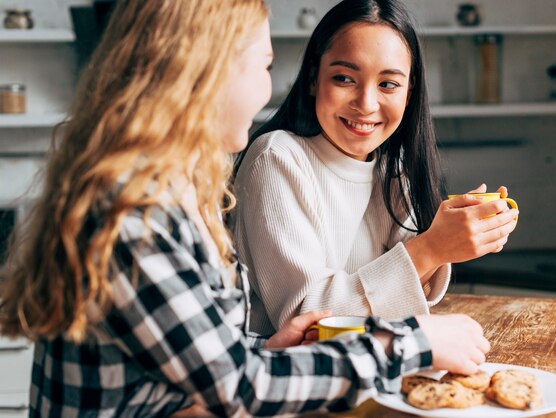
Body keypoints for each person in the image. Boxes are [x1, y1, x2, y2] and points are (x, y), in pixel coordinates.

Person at [0, 1, 490, 417]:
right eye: (264, 65)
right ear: (204, 72)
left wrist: (268, 349)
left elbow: (210, 361)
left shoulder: (170, 193)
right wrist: (411, 343)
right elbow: (240, 386)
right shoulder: (131, 217)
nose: (266, 89)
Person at [233, 0, 519, 335]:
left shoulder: (392, 169)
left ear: (409, 93)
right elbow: (308, 322)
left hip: (369, 368)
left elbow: (411, 291)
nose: (366, 103)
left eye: (388, 84)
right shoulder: (277, 157)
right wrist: (432, 247)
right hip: (288, 376)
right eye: (344, 78)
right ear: (313, 78)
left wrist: (454, 235)